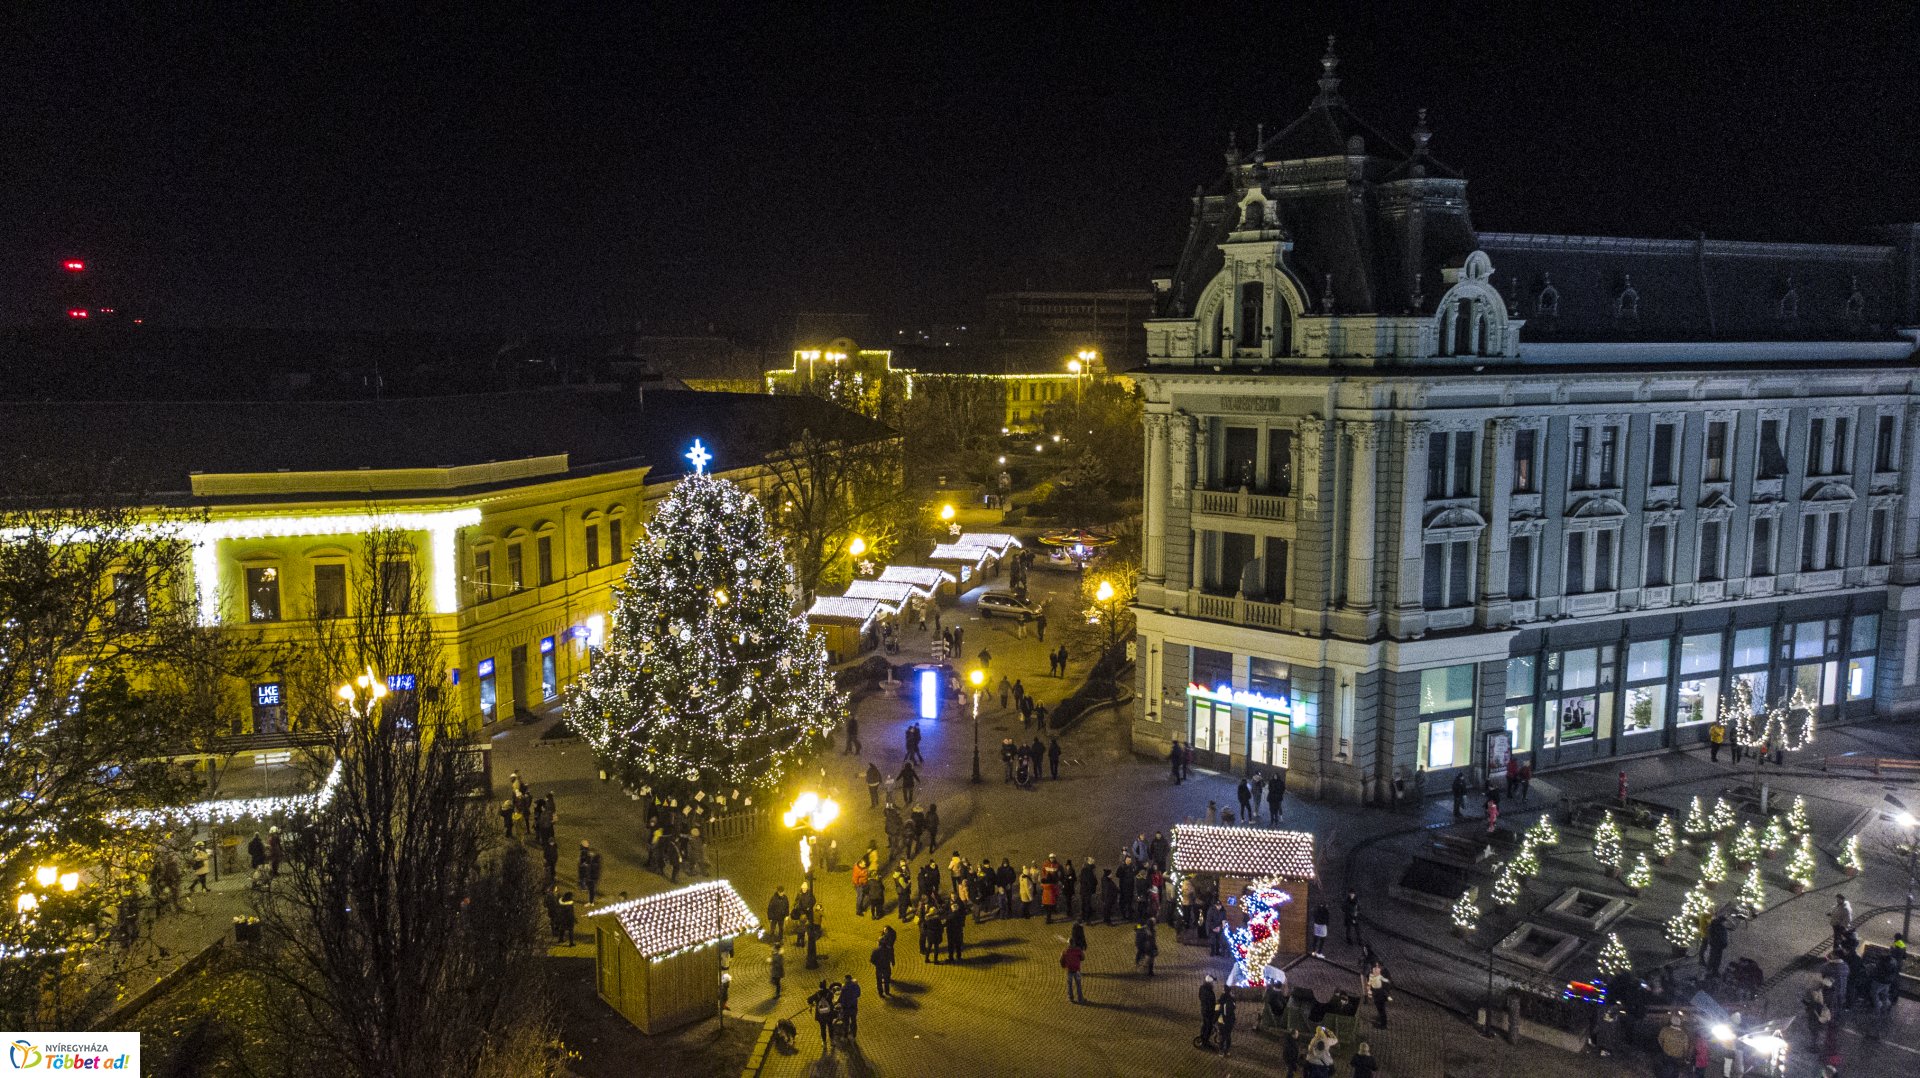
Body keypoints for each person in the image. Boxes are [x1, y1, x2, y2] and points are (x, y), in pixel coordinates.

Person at [809, 981, 838, 1052]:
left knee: (823, 1029)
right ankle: (832, 1041)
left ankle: (824, 1043)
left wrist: (812, 1005)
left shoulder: (817, 994)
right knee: (830, 1027)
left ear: (820, 986)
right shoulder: (829, 993)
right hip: (829, 1014)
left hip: (821, 1015)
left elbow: (809, 1000)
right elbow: (832, 998)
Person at [1365, 961, 1389, 1028]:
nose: (1376, 967)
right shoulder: (1382, 972)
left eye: (1378, 966)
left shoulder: (1382, 973)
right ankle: (1381, 1020)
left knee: (1381, 1009)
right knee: (1380, 1008)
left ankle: (1383, 1025)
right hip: (1379, 993)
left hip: (1380, 994)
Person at [1705, 912, 1730, 977]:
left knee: (1715, 957)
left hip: (1717, 945)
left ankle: (1712, 971)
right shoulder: (1718, 927)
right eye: (1724, 922)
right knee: (1715, 958)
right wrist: (1724, 943)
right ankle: (1711, 971)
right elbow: (1721, 936)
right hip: (1717, 945)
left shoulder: (1715, 925)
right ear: (1722, 921)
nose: (1725, 923)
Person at [1061, 938, 1086, 1002]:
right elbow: (1083, 958)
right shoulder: (1078, 950)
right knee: (1078, 985)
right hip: (1077, 970)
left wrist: (1064, 966)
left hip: (1069, 970)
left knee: (1069, 984)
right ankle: (1080, 999)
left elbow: (1062, 960)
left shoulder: (1065, 951)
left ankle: (1071, 998)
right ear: (1074, 943)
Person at [1198, 974, 1219, 1049]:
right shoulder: (1209, 992)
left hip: (1204, 1009)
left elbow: (1200, 996)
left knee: (1205, 1024)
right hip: (1208, 1012)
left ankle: (1202, 1036)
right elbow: (1211, 1004)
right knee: (1208, 1027)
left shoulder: (1202, 988)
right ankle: (1205, 1042)